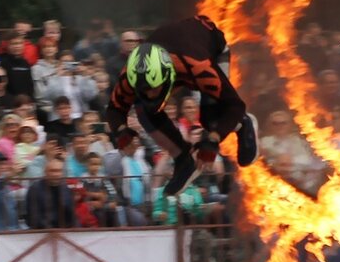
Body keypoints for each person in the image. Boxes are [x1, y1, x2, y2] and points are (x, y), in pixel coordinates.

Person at [107, 15, 258, 195]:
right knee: (144, 108)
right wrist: (121, 132)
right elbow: (114, 109)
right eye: (143, 89)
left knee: (211, 119)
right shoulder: (128, 75)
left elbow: (235, 105)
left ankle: (244, 124)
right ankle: (183, 158)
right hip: (179, 46)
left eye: (153, 88)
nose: (149, 94)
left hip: (211, 48)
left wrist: (213, 139)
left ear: (167, 74)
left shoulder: (198, 67)